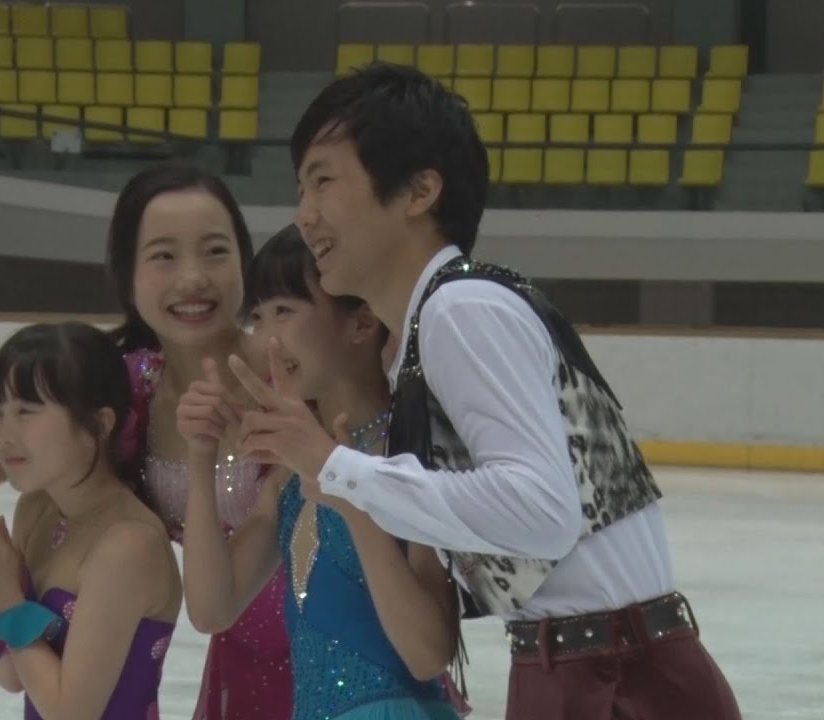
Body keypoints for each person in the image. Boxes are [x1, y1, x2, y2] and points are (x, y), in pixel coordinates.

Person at [227, 62, 743, 720]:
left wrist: (336, 468)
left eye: (324, 181)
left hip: (614, 678)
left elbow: (542, 512)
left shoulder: (461, 309)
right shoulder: (438, 326)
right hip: (595, 663)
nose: (304, 216)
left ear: (418, 191)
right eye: (301, 188)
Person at [0, 161, 292, 720]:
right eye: (164, 256)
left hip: (337, 648)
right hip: (240, 660)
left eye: (216, 251)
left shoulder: (291, 373)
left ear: (244, 261)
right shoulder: (129, 389)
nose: (193, 277)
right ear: (127, 275)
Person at [179, 226, 467, 720]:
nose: (267, 340)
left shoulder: (411, 453)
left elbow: (427, 654)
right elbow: (212, 609)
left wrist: (350, 495)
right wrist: (200, 455)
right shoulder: (289, 477)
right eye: (257, 317)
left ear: (362, 323)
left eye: (284, 311)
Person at [0, 322, 181, 719]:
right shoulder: (37, 510)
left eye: (26, 412)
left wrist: (6, 596)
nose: (3, 436)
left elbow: (70, 713)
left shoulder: (129, 546)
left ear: (100, 423)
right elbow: (11, 674)